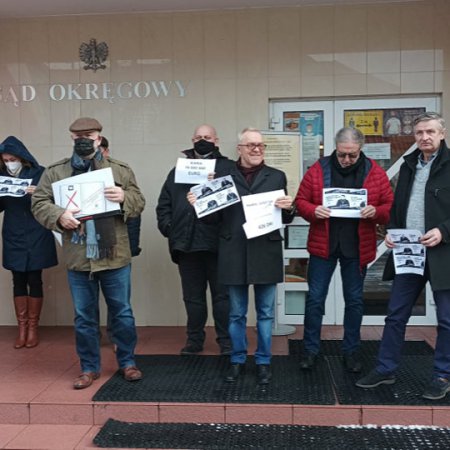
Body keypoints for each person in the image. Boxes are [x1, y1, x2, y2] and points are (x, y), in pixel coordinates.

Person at [31, 117, 145, 390]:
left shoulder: (119, 169)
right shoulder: (56, 171)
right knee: (84, 316)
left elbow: (139, 200)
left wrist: (123, 197)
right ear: (71, 138)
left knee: (122, 313)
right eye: (78, 135)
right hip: (79, 256)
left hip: (114, 253)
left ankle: (127, 362)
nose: (83, 139)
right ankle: (89, 368)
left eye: (89, 134)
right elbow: (39, 202)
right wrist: (59, 216)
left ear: (99, 138)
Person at [189, 128, 295, 385]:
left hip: (265, 250)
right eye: (250, 145)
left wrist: (289, 208)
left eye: (260, 145)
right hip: (234, 250)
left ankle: (263, 361)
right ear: (239, 149)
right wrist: (199, 203)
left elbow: (285, 215)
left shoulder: (277, 176)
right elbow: (213, 219)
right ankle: (237, 359)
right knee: (236, 313)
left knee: (266, 313)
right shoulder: (223, 176)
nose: (257, 149)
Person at [356, 112, 450, 400]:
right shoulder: (409, 165)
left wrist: (444, 231)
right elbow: (399, 205)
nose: (424, 137)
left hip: (443, 253)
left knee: (447, 320)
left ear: (442, 133)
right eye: (420, 132)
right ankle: (385, 369)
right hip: (410, 252)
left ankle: (442, 374)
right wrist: (392, 231)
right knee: (395, 314)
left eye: (430, 132)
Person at [295, 127, 393, 372]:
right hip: (323, 245)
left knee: (355, 301)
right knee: (315, 300)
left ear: (361, 149)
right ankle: (310, 351)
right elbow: (301, 201)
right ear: (335, 148)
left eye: (352, 154)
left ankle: (351, 352)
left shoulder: (375, 172)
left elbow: (390, 205)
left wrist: (376, 212)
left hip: (357, 247)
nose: (347, 159)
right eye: (342, 154)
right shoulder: (318, 169)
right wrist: (312, 211)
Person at [156, 124, 231, 356]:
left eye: (207, 137)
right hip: (186, 244)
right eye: (198, 137)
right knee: (193, 298)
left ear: (216, 140)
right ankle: (194, 340)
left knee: (222, 298)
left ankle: (226, 342)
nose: (202, 140)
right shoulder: (177, 171)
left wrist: (214, 183)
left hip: (218, 245)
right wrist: (170, 227)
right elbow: (164, 205)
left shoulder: (228, 168)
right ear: (192, 139)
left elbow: (234, 202)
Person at [0, 136, 58, 349]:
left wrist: (39, 193)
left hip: (37, 231)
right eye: (5, 160)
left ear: (22, 157)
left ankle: (33, 327)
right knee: (17, 278)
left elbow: (55, 200)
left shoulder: (39, 173)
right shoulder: (1, 176)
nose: (9, 163)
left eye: (12, 158)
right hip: (13, 232)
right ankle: (21, 328)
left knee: (35, 277)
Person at [99, 137, 142, 348]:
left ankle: (118, 339)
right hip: (85, 246)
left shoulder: (120, 172)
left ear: (106, 151)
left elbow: (135, 210)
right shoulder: (73, 174)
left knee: (119, 302)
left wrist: (132, 246)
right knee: (87, 306)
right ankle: (96, 338)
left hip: (117, 246)